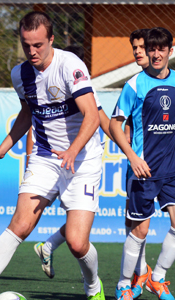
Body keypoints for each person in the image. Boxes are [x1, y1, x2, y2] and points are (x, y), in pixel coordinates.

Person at [0, 11, 108, 300]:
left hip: (82, 160)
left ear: (51, 40)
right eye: (26, 45)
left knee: (76, 243)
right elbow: (27, 112)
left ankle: (94, 288)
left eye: (39, 45)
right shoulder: (20, 74)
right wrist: (2, 149)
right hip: (44, 158)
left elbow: (92, 116)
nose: (32, 52)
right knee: (20, 225)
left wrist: (72, 150)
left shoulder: (71, 66)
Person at [109, 27, 175, 300]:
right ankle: (124, 285)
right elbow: (115, 124)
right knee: (140, 231)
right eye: (151, 49)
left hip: (171, 168)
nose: (156, 54)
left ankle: (157, 276)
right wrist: (132, 157)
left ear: (171, 51)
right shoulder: (134, 85)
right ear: (147, 51)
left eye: (161, 49)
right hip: (144, 169)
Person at [31, 44, 114, 280]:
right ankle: (130, 277)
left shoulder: (83, 87)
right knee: (78, 228)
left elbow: (100, 118)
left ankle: (48, 246)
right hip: (60, 160)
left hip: (83, 160)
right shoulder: (46, 84)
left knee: (78, 227)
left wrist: (126, 146)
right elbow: (31, 125)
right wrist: (31, 160)